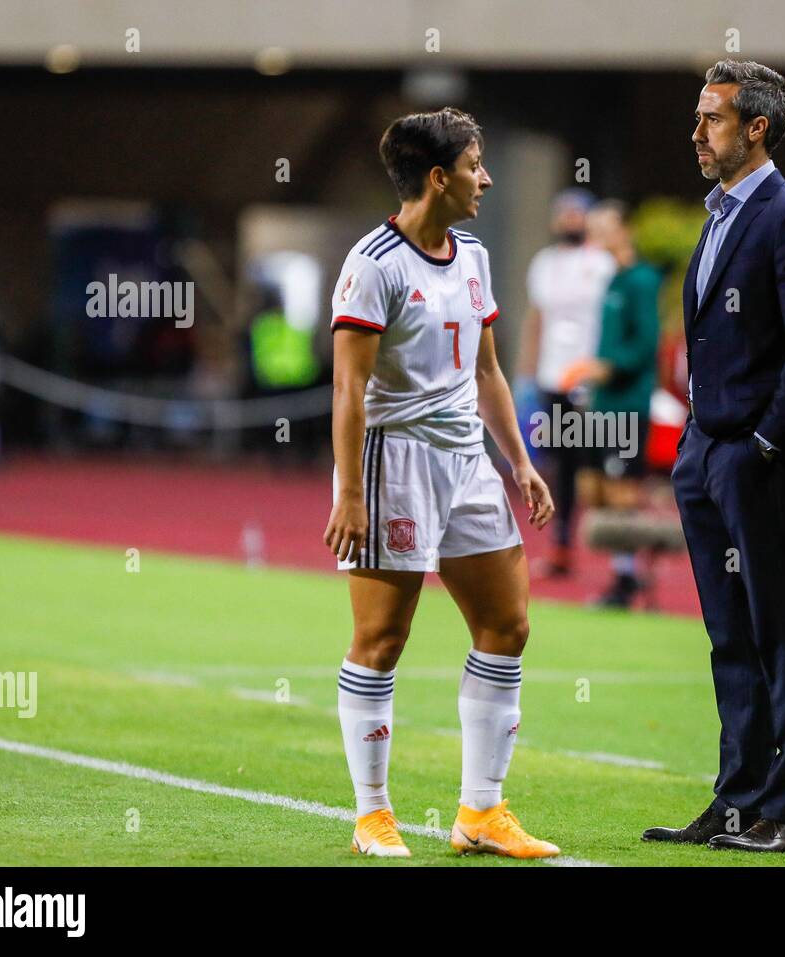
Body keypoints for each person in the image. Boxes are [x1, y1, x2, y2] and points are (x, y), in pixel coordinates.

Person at [323, 108, 559, 859]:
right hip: (393, 464)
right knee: (382, 637)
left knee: (508, 626)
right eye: (475, 164)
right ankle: (372, 814)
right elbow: (348, 393)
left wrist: (517, 460)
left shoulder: (475, 256)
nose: (485, 177)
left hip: (467, 464)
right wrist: (352, 494)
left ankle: (480, 812)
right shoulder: (373, 264)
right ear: (438, 177)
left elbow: (487, 369)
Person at [642, 60, 785, 853]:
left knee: (784, 635)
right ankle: (738, 804)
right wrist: (699, 445)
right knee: (730, 638)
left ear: (756, 128)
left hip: (756, 458)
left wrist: (764, 441)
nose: (696, 132)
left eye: (712, 118)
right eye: (697, 116)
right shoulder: (720, 214)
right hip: (706, 454)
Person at [559, 200, 663, 607]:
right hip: (602, 404)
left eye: (603, 227)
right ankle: (625, 571)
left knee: (622, 492)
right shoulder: (613, 281)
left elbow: (645, 344)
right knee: (594, 488)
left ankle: (627, 580)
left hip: (628, 404)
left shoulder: (641, 280)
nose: (594, 235)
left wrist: (607, 367)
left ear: (624, 232)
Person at [516, 189, 616, 577]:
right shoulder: (544, 263)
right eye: (564, 213)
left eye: (577, 214)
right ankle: (561, 543)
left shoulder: (602, 264)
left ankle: (613, 554)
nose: (569, 220)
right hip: (551, 375)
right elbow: (536, 318)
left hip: (590, 377)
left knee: (600, 464)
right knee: (560, 462)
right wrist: (526, 371)